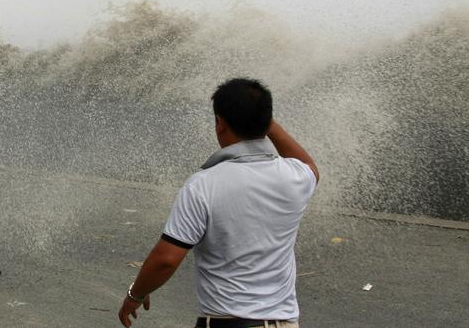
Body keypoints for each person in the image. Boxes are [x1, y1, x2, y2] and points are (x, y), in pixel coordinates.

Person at [119, 78, 319, 328]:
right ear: (267, 122)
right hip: (284, 322)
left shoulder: (204, 184)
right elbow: (310, 166)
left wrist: (135, 294)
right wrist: (267, 123)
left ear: (220, 123)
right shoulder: (295, 177)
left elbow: (166, 259)